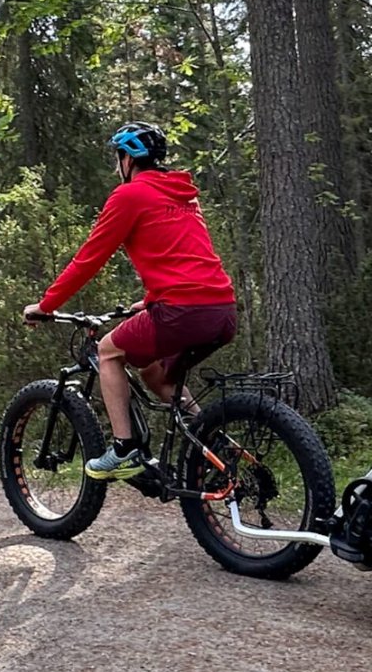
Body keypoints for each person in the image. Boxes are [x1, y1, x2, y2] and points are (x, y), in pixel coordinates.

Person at [22, 122, 238, 479]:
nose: (116, 165)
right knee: (154, 371)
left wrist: (45, 305)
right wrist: (151, 299)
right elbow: (185, 258)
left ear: (128, 158)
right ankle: (210, 442)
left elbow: (89, 259)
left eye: (118, 157)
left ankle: (125, 449)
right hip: (222, 311)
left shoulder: (130, 195)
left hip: (182, 311)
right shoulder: (183, 196)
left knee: (109, 351)